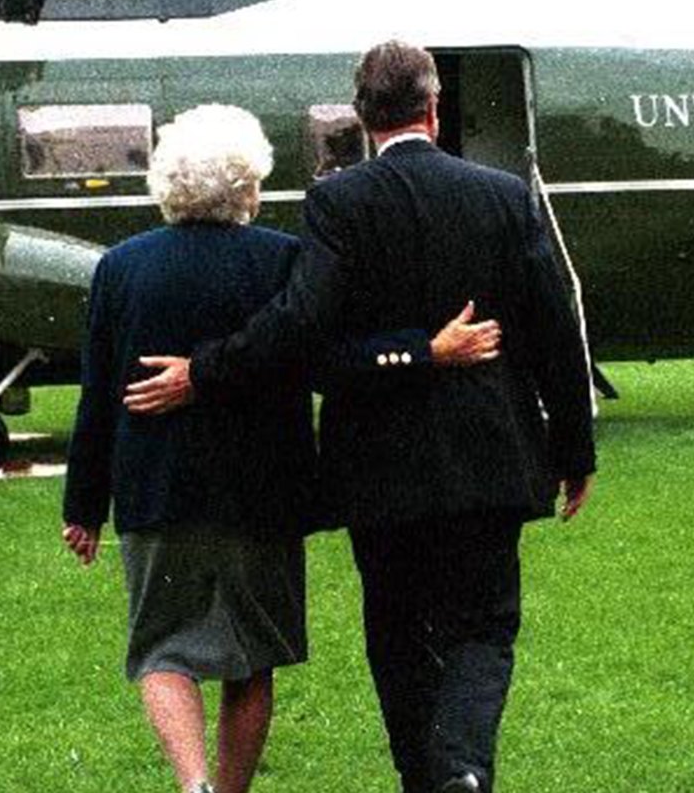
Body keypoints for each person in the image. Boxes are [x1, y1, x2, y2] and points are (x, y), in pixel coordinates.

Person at [123, 42, 598, 793]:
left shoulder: (338, 204)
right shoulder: (506, 196)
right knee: (483, 629)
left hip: (379, 469)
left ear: (363, 116)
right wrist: (576, 450)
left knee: (397, 637)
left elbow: (303, 336)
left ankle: (430, 779)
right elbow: (554, 330)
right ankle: (463, 770)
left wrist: (203, 372)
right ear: (434, 109)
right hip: (489, 459)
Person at [59, 104, 499, 793]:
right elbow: (316, 355)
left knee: (161, 652)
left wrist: (83, 505)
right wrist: (426, 350)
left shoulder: (120, 268)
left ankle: (192, 785)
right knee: (250, 658)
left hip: (155, 491)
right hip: (261, 494)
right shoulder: (282, 259)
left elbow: (97, 398)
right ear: (247, 183)